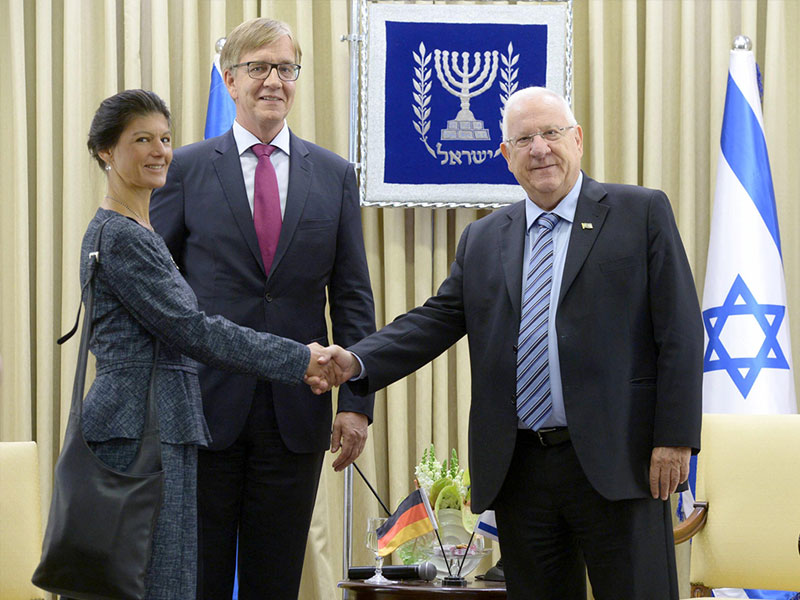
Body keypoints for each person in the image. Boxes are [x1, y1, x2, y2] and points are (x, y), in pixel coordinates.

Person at [325, 87, 703, 599]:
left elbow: (680, 331)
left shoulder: (640, 213)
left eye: (551, 133)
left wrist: (674, 437)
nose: (540, 149)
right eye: (523, 139)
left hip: (623, 460)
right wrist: (355, 360)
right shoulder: (484, 240)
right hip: (522, 469)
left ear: (578, 139)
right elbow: (436, 320)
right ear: (506, 156)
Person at [149, 18, 376, 599]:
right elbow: (159, 294)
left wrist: (357, 405)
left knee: (274, 583)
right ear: (230, 80)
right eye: (258, 68)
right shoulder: (186, 168)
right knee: (197, 581)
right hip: (202, 411)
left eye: (285, 68)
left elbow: (352, 299)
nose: (273, 80)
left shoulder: (334, 176)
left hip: (297, 413)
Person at [78, 89, 335, 599]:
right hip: (138, 432)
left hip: (161, 424)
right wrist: (298, 357)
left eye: (166, 139)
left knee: (172, 581)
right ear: (107, 151)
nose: (160, 151)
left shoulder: (140, 230)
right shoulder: (122, 236)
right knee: (152, 584)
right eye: (142, 139)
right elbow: (194, 330)